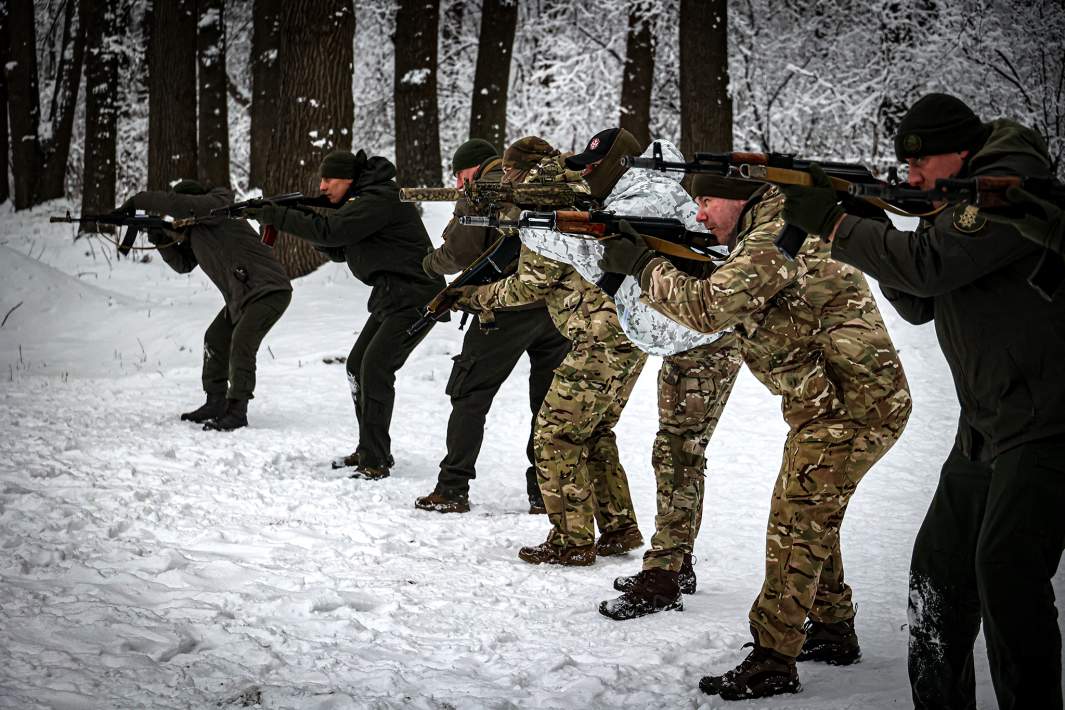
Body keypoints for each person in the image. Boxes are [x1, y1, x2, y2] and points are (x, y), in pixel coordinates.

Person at [780, 92, 1065, 710]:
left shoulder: (1008, 196)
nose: (910, 177)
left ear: (961, 152)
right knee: (938, 574)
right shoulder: (959, 199)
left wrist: (836, 224)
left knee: (1008, 575)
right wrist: (868, 222)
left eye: (920, 164)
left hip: (1046, 422)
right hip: (986, 425)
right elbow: (917, 298)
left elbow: (927, 270)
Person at [600, 176, 911, 700]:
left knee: (795, 521)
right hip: (832, 405)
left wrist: (641, 265)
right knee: (812, 514)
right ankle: (833, 629)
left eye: (706, 202)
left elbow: (707, 310)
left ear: (738, 196)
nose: (699, 215)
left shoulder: (774, 237)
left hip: (854, 408)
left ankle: (773, 658)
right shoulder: (763, 231)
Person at [562, 128, 746, 618]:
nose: (585, 175)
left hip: (706, 338)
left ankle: (664, 573)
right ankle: (674, 562)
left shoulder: (646, 197)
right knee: (676, 449)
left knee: (679, 450)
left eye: (591, 168)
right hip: (692, 337)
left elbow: (621, 268)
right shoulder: (634, 195)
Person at [457, 136, 646, 566]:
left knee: (555, 433)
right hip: (629, 330)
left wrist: (477, 297)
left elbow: (530, 283)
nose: (503, 179)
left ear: (523, 172)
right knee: (593, 430)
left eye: (508, 171)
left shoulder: (546, 207)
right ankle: (618, 528)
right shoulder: (576, 191)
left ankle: (571, 541)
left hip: (600, 337)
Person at [248, 150, 444, 480]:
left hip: (417, 297)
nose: (322, 186)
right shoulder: (362, 203)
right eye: (321, 180)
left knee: (376, 369)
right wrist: (301, 217)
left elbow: (332, 232)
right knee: (358, 366)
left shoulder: (377, 198)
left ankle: (376, 460)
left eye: (329, 180)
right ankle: (370, 449)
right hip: (393, 296)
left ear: (349, 181)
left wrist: (280, 215)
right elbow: (339, 247)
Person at [414, 139, 570, 515]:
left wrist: (429, 264)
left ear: (474, 168)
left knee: (470, 394)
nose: (457, 184)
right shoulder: (545, 186)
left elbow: (460, 254)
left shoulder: (485, 192)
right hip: (554, 309)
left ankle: (452, 487)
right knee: (546, 403)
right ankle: (544, 493)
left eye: (459, 175)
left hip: (502, 308)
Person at [125, 179, 292, 431]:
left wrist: (138, 201)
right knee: (214, 339)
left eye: (184, 208)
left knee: (242, 343)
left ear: (194, 203)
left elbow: (180, 204)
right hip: (242, 297)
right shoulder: (199, 231)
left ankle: (237, 411)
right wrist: (159, 237)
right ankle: (215, 401)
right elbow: (183, 265)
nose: (180, 213)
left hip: (268, 291)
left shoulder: (218, 210)